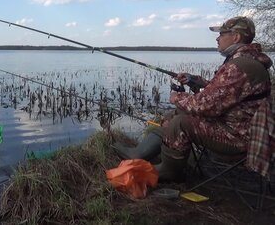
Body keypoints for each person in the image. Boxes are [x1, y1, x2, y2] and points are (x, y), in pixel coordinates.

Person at [114, 16, 273, 181]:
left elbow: (206, 105)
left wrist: (177, 97)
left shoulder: (240, 66)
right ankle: (140, 153)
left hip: (236, 136)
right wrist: (195, 80)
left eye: (222, 34)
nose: (218, 38)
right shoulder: (245, 61)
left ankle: (170, 171)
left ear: (236, 37)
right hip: (233, 125)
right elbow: (225, 92)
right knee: (175, 114)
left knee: (180, 122)